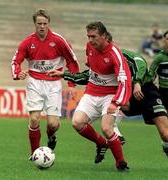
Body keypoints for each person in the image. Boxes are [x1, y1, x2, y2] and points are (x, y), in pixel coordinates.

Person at [48, 48, 168, 159]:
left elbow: (140, 62)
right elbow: (87, 76)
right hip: (128, 97)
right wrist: (64, 74)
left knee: (165, 134)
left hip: (146, 91)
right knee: (111, 101)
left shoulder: (119, 55)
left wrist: (137, 82)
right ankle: (114, 130)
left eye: (88, 57)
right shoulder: (99, 64)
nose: (86, 61)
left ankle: (164, 144)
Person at [49, 21, 132, 171]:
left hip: (110, 95)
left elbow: (125, 80)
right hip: (92, 92)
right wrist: (64, 74)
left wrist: (117, 101)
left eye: (93, 36)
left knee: (107, 128)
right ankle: (101, 143)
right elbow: (90, 72)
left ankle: (121, 163)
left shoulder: (115, 54)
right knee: (77, 122)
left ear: (104, 36)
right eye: (88, 37)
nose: (90, 40)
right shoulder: (90, 48)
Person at [11, 9, 79, 158]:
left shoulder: (59, 41)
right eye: (39, 23)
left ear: (48, 24)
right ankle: (34, 153)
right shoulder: (27, 42)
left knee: (53, 124)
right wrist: (18, 73)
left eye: (45, 23)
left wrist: (72, 85)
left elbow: (72, 62)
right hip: (34, 82)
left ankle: (51, 136)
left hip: (54, 84)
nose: (42, 26)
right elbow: (16, 61)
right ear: (34, 24)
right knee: (34, 119)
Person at [147, 30, 168, 112]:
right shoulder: (159, 58)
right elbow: (151, 73)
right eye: (167, 39)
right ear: (164, 41)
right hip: (164, 91)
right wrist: (151, 80)